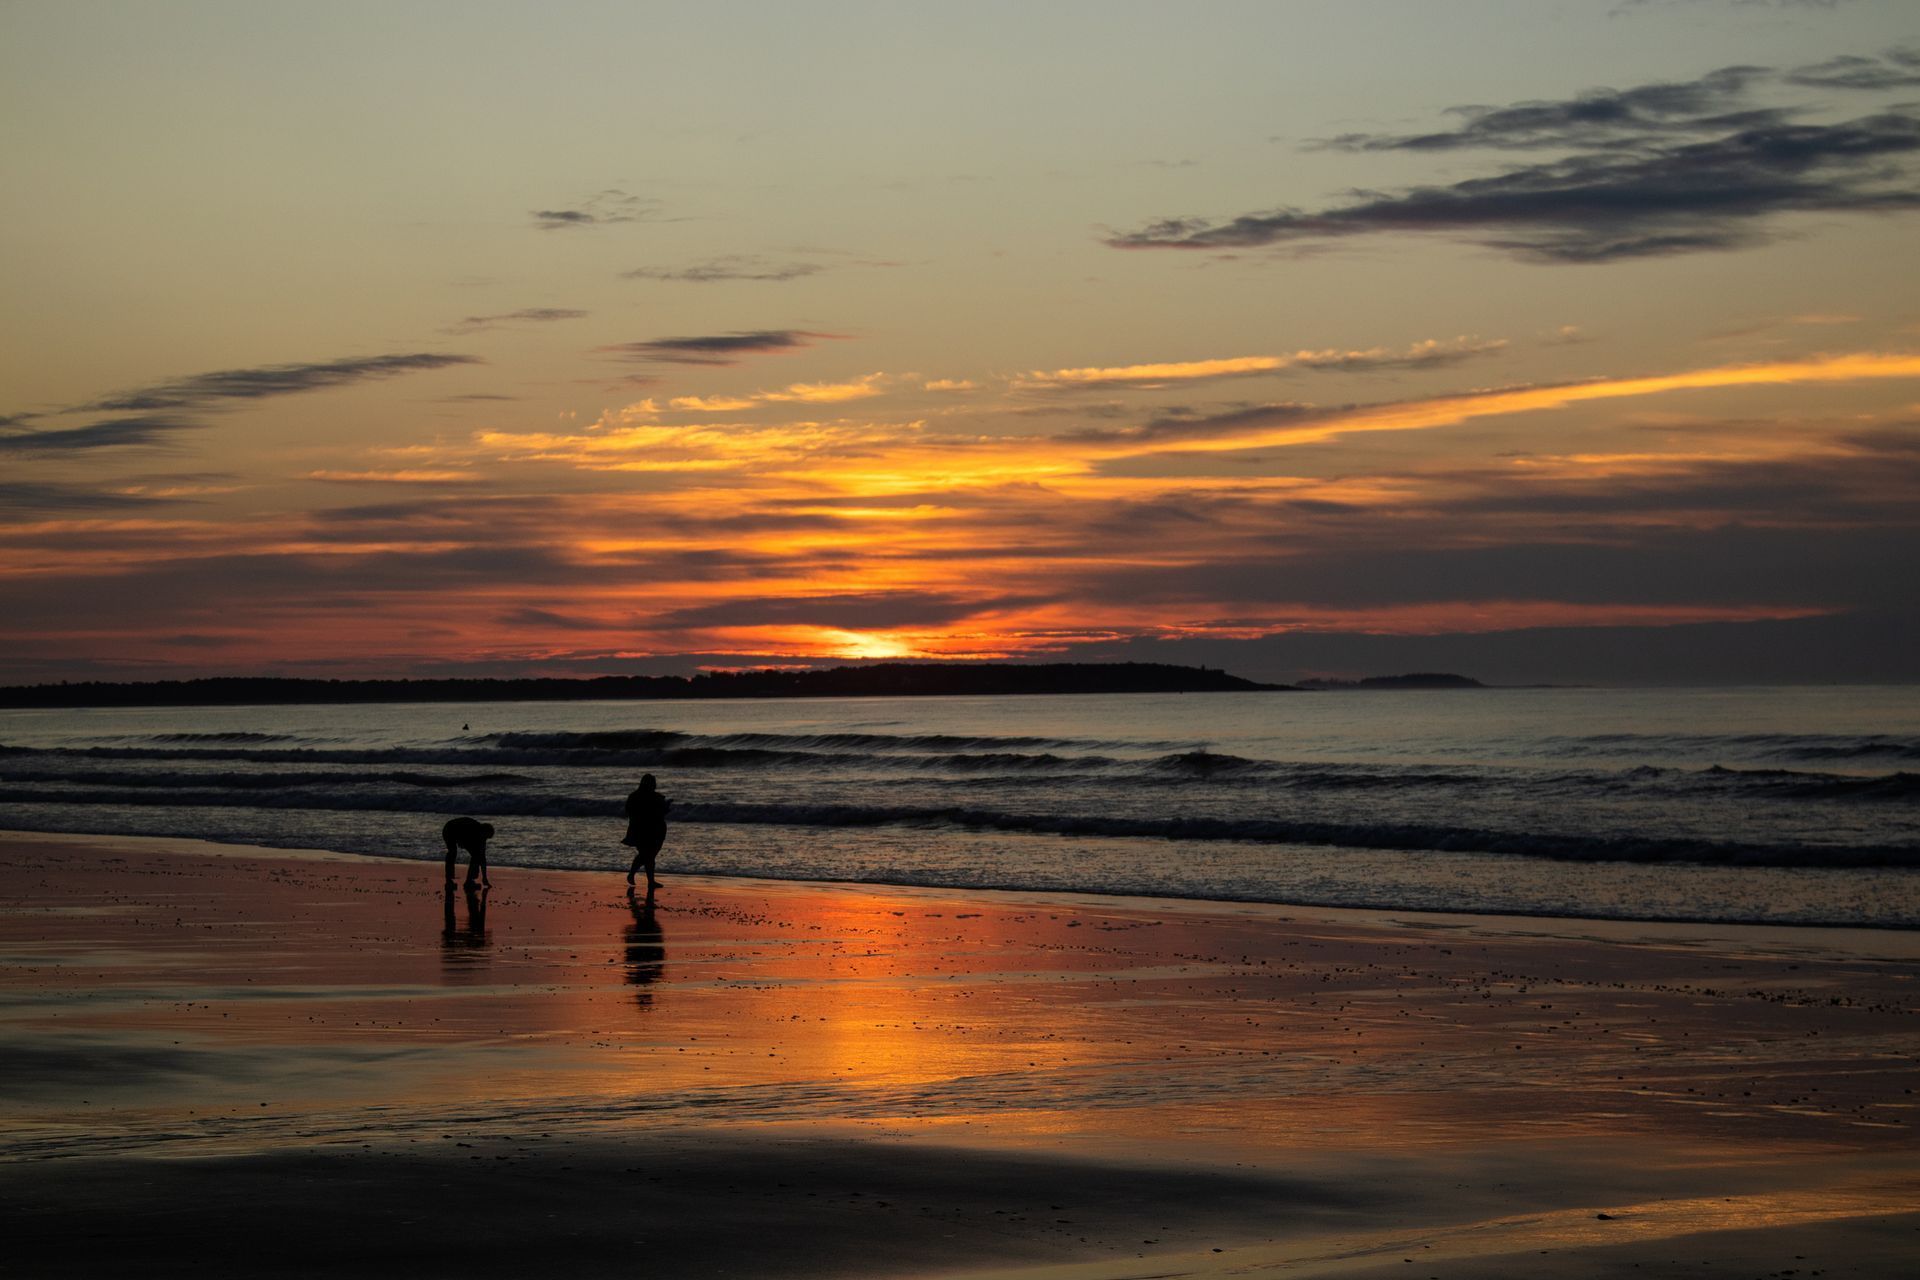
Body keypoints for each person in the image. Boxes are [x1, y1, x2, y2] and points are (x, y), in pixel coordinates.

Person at [621, 774, 672, 888]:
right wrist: (666, 806)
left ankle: (646, 879)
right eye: (653, 783)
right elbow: (661, 813)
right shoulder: (656, 798)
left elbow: (628, 812)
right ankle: (638, 876)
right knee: (648, 855)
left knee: (647, 855)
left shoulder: (633, 796)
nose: (655, 785)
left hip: (638, 830)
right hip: (654, 830)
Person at [441, 816, 494, 887]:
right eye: (486, 837)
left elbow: (483, 859)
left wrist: (484, 877)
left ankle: (469, 880)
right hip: (449, 829)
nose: (485, 839)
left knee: (476, 856)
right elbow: (462, 841)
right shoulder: (472, 829)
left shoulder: (481, 837)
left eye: (487, 838)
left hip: (460, 833)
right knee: (452, 852)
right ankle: (449, 880)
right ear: (484, 831)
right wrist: (461, 842)